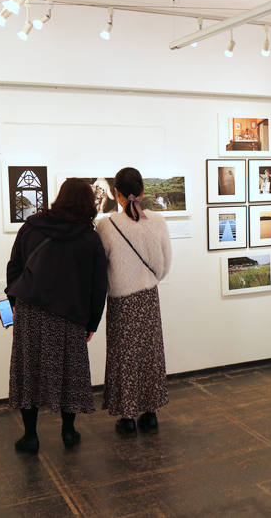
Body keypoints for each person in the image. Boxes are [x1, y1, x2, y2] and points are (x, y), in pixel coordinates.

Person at [5, 178, 108, 453]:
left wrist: (14, 301)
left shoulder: (32, 226)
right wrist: (92, 322)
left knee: (30, 370)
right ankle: (68, 431)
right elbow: (99, 285)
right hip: (70, 315)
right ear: (89, 202)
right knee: (70, 372)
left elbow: (15, 265)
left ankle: (30, 436)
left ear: (59, 197)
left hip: (31, 311)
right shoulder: (89, 238)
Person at [96, 167, 172, 436]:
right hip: (149, 298)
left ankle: (128, 417)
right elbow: (164, 266)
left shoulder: (106, 225)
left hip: (121, 301)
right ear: (142, 191)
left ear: (116, 193)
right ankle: (150, 415)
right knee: (150, 355)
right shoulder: (158, 222)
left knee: (124, 357)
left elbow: (101, 266)